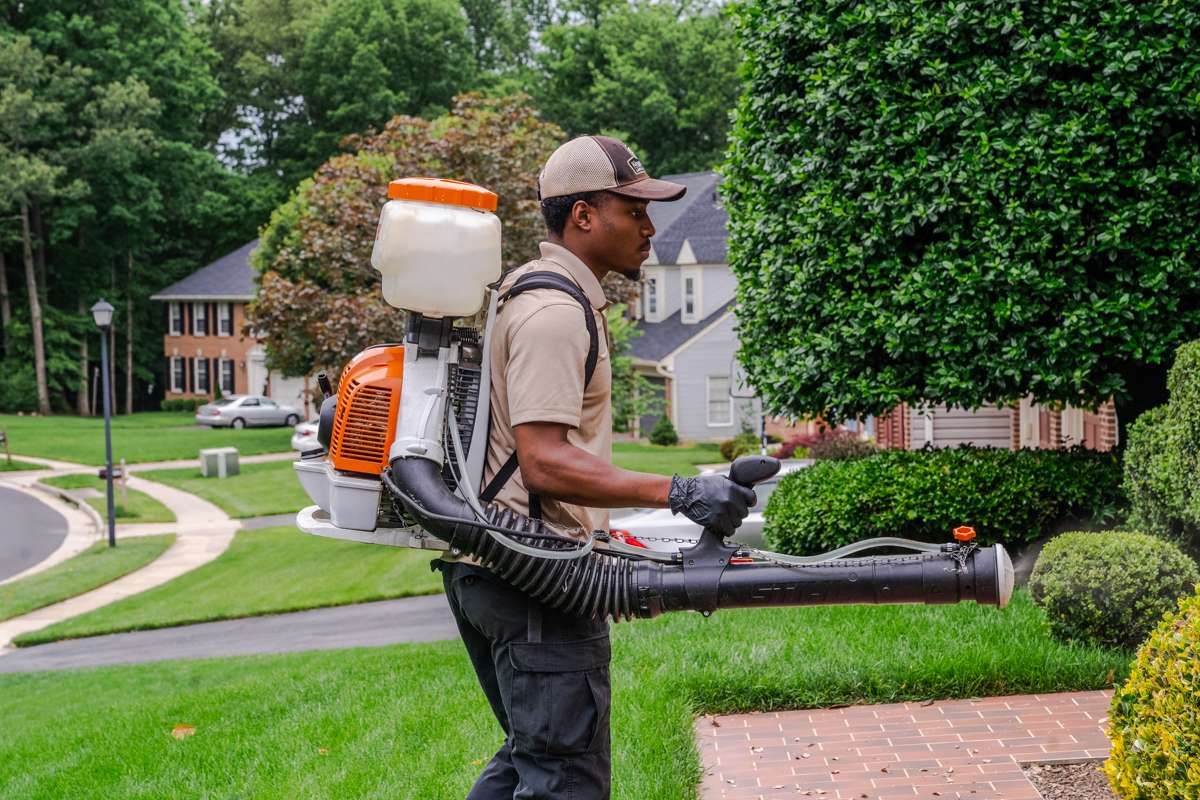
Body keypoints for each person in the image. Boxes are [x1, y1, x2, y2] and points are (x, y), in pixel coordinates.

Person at [435, 135, 756, 799]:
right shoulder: (555, 312)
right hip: (535, 580)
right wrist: (680, 489)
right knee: (564, 780)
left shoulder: (536, 292)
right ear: (583, 216)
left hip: (503, 571)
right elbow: (545, 461)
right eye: (632, 209)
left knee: (534, 759)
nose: (649, 227)